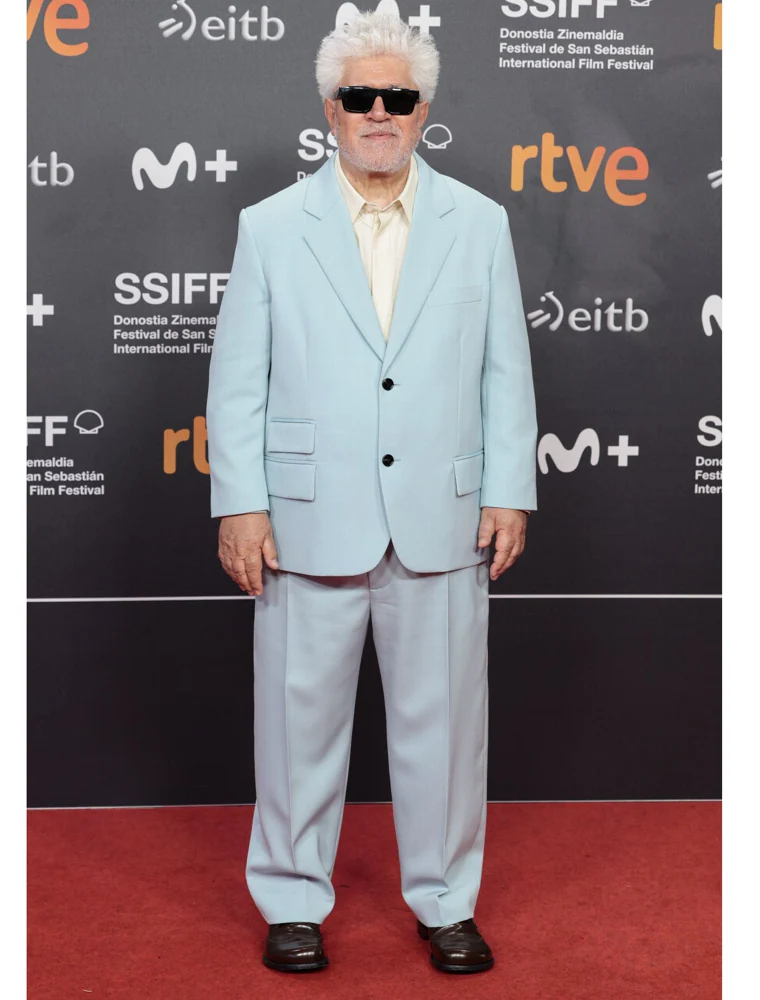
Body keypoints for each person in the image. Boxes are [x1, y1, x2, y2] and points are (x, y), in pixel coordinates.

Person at [205, 6, 537, 976]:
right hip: (306, 519)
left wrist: (508, 487)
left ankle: (444, 900)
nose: (378, 113)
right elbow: (239, 380)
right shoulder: (270, 228)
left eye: (397, 96)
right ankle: (292, 897)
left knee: (445, 729)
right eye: (360, 97)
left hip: (441, 514)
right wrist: (241, 502)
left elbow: (502, 372)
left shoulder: (481, 222)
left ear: (423, 106)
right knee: (296, 723)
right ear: (330, 108)